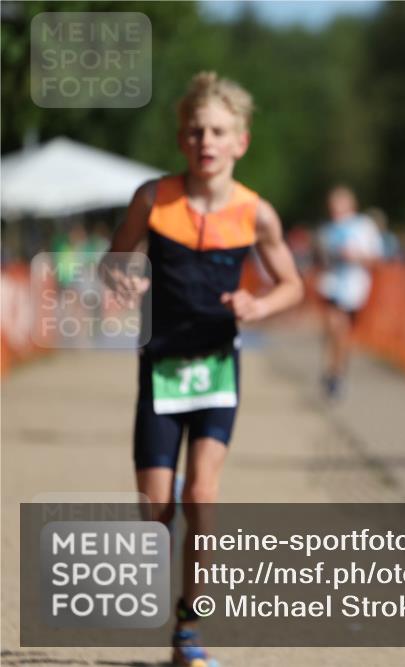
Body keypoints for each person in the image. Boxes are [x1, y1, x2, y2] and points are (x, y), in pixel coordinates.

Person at [101, 71, 303, 667]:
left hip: (217, 368)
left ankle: (189, 630)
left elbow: (291, 285)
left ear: (241, 141)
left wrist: (258, 305)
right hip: (161, 367)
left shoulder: (256, 213)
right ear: (181, 139)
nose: (205, 141)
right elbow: (113, 261)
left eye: (217, 131)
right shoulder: (152, 199)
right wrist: (122, 279)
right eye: (195, 131)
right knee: (156, 512)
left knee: (203, 496)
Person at [315, 186, 383, 397]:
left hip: (354, 288)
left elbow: (376, 258)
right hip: (331, 285)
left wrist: (356, 257)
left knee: (342, 332)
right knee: (333, 326)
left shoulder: (364, 226)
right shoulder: (327, 230)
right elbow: (321, 259)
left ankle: (337, 372)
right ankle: (332, 369)